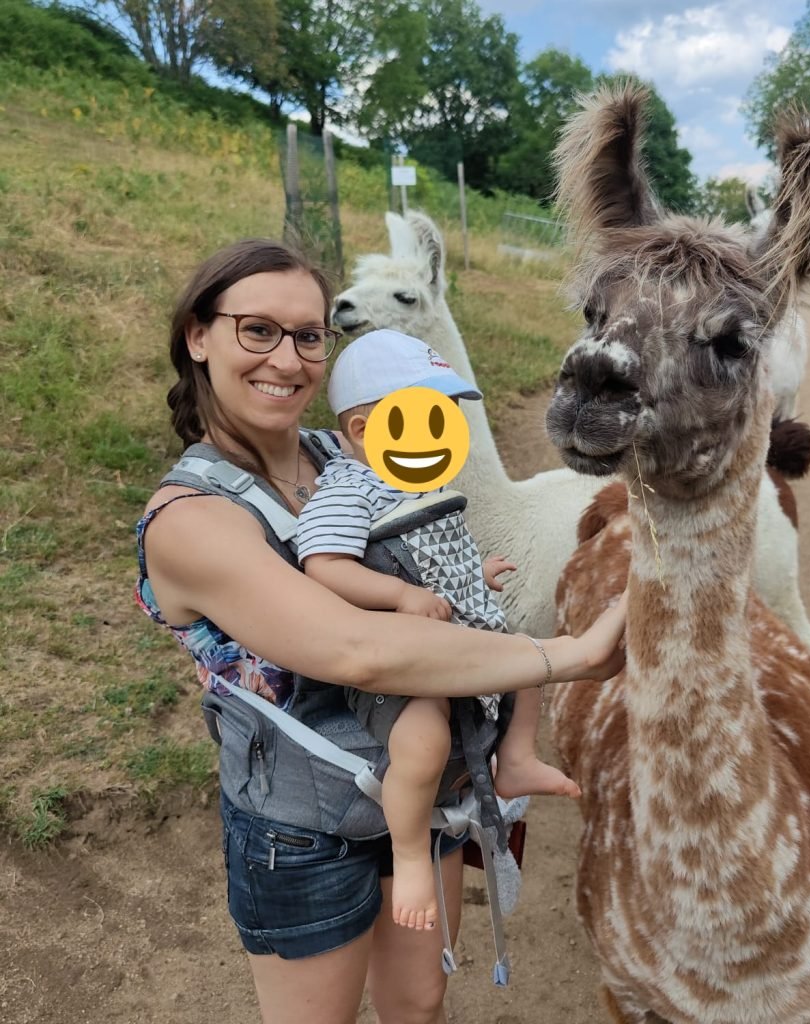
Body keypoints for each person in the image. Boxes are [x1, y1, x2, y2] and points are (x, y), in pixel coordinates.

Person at [134, 238, 626, 1024]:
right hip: (305, 833)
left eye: (308, 336)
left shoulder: (349, 454)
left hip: (426, 799)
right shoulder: (191, 521)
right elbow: (354, 649)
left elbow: (437, 545)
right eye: (257, 330)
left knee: (421, 1003)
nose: (288, 360)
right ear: (199, 336)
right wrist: (560, 655)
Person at [296, 329, 582, 933]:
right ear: (363, 432)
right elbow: (324, 568)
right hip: (395, 662)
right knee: (422, 739)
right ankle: (408, 855)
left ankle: (519, 757)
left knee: (525, 658)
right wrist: (400, 594)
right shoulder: (348, 495)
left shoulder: (419, 487)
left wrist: (475, 572)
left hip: (443, 639)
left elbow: (427, 557)